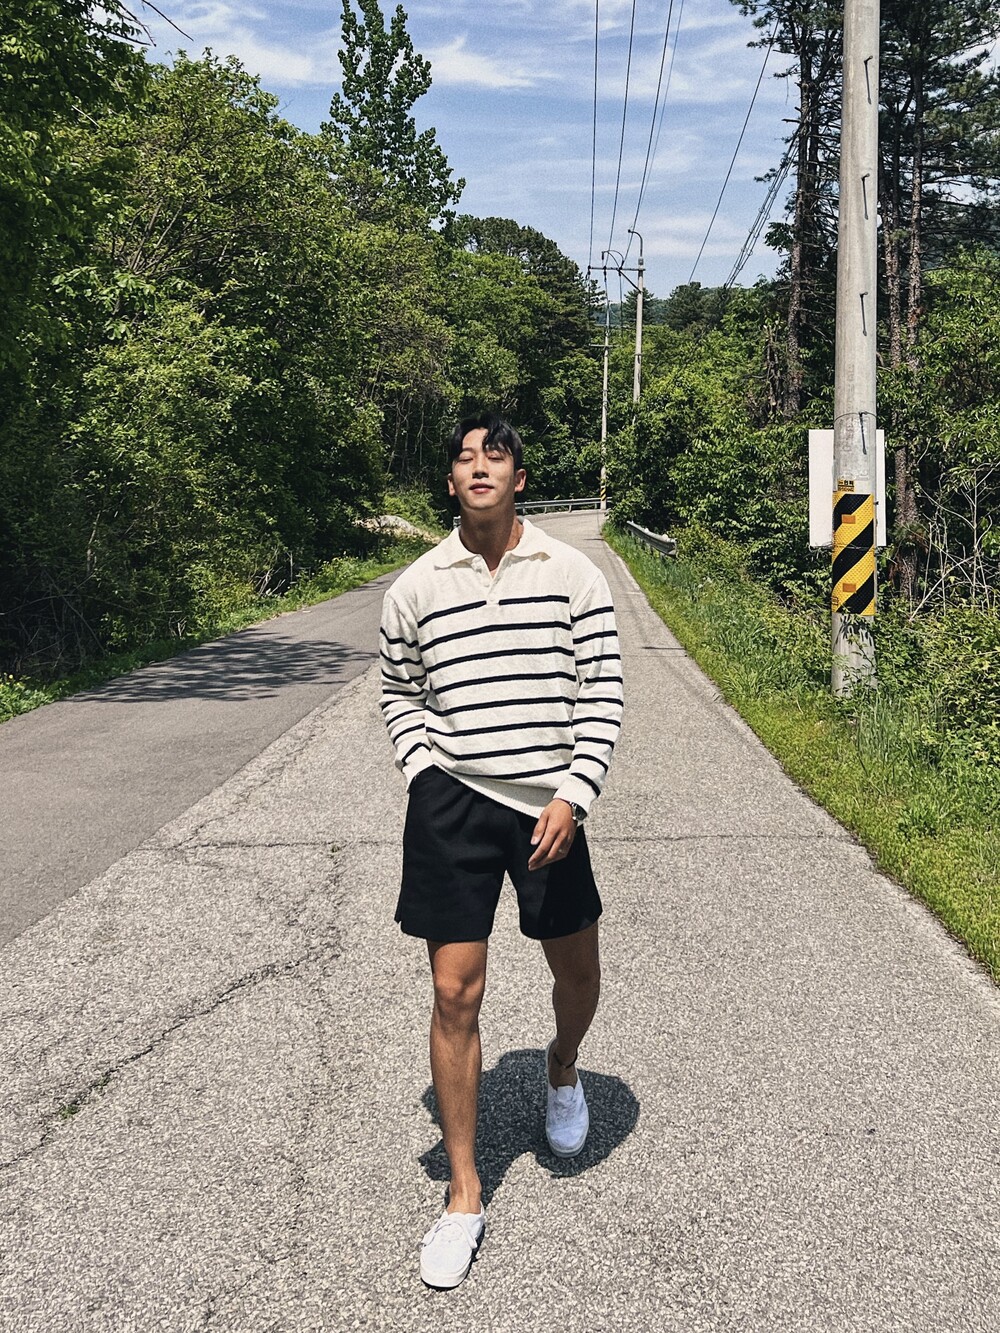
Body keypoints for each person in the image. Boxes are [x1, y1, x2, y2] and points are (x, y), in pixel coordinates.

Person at [379, 412, 623, 1289]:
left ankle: (561, 1066)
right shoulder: (415, 586)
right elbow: (398, 689)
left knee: (578, 973)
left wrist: (575, 792)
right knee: (454, 991)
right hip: (452, 806)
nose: (479, 466)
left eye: (496, 454)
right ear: (450, 481)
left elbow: (603, 689)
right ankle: (464, 1193)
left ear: (520, 477)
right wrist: (423, 773)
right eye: (463, 456)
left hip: (548, 807)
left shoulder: (571, 572)